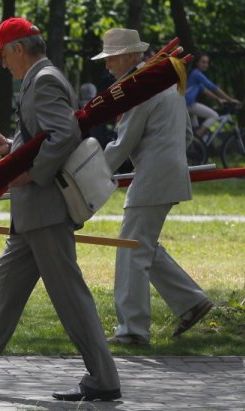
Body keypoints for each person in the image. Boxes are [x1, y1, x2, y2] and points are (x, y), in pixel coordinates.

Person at [0, 17, 121, 402]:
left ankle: (104, 379)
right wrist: (9, 149)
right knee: (3, 288)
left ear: (18, 49)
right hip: (33, 215)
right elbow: (42, 136)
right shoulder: (40, 78)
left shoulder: (44, 79)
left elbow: (64, 135)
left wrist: (29, 174)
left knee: (70, 298)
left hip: (45, 211)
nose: (3, 64)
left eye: (3, 56)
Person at [91, 28, 213, 346]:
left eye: (112, 58)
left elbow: (122, 145)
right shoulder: (165, 81)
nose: (108, 65)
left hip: (153, 178)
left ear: (132, 56)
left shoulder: (140, 87)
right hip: (166, 172)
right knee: (141, 245)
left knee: (130, 250)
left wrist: (85, 174)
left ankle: (132, 330)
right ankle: (191, 301)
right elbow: (186, 134)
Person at [185, 52, 241, 138]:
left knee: (194, 129)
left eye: (207, 62)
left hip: (186, 104)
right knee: (214, 115)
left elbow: (204, 90)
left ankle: (195, 144)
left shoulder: (195, 74)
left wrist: (218, 99)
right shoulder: (197, 74)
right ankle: (198, 137)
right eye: (203, 62)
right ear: (197, 63)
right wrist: (230, 100)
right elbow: (213, 87)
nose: (205, 65)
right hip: (189, 104)